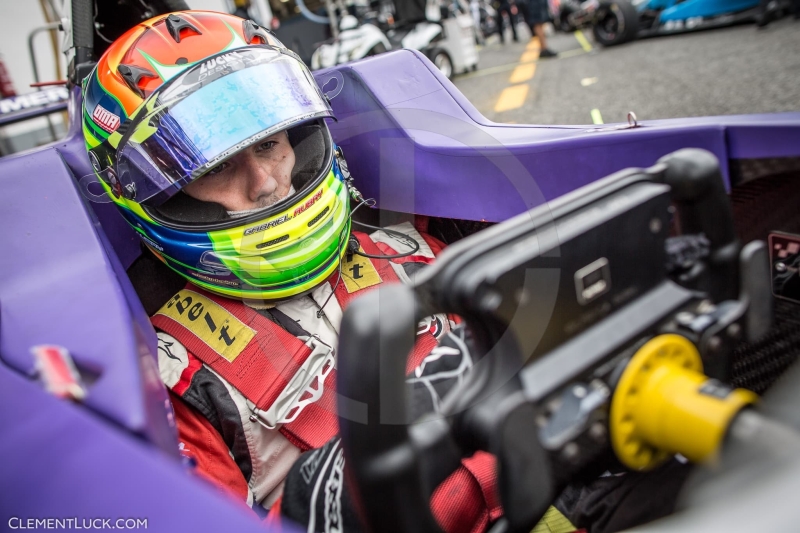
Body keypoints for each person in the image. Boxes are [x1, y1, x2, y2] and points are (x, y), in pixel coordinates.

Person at [81, 10, 510, 533]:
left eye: (269, 144)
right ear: (154, 192)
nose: (266, 183)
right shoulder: (173, 372)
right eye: (215, 166)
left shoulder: (409, 236)